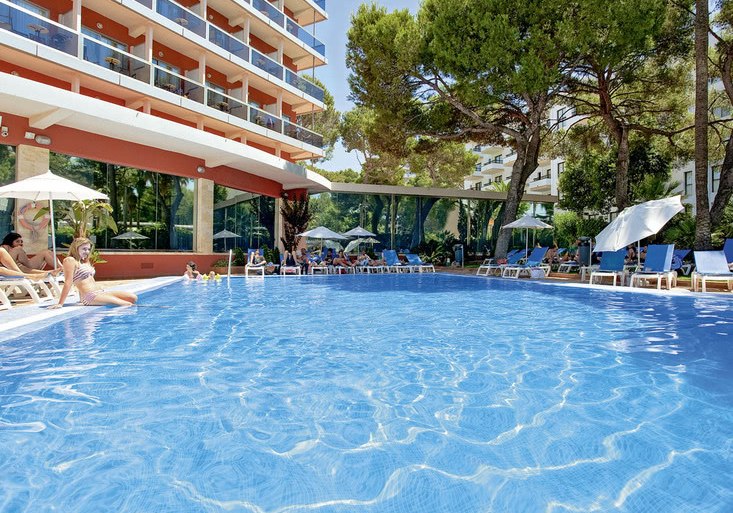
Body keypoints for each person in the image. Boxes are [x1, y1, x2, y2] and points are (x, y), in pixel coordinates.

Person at [52, 237, 137, 308]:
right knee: (127, 304)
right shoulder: (70, 260)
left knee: (132, 298)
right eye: (84, 249)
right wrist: (60, 303)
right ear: (75, 248)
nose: (87, 251)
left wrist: (80, 298)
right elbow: (68, 282)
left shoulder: (84, 261)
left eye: (88, 249)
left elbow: (84, 279)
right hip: (90, 297)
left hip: (100, 292)